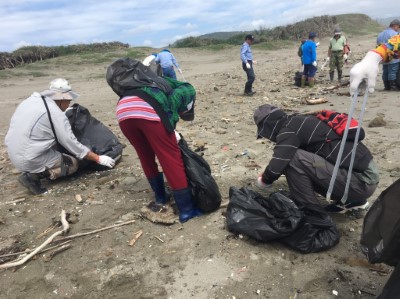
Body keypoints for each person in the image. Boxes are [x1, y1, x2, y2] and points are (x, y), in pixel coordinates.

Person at [107, 58, 201, 223]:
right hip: (147, 111)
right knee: (169, 158)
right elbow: (170, 109)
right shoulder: (178, 88)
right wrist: (171, 129)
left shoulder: (135, 85)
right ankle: (187, 210)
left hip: (123, 112)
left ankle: (160, 197)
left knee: (145, 156)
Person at [254, 104, 379, 213]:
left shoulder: (288, 130)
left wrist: (264, 179)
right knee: (308, 165)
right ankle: (352, 202)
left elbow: (278, 164)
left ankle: (310, 210)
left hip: (359, 182)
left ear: (268, 126)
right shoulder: (301, 120)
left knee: (293, 158)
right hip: (366, 177)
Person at [5, 78, 116, 195]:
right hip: (29, 158)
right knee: (72, 163)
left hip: (14, 152)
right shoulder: (56, 115)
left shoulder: (32, 100)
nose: (69, 103)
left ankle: (34, 169)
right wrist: (98, 158)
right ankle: (34, 176)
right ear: (60, 99)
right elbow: (71, 143)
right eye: (68, 100)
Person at [376, 19, 400, 91]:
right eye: (399, 27)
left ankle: (386, 86)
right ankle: (393, 86)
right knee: (393, 70)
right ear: (395, 26)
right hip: (393, 55)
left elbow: (378, 45)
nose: (398, 29)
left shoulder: (380, 34)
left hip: (383, 55)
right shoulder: (395, 34)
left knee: (385, 70)